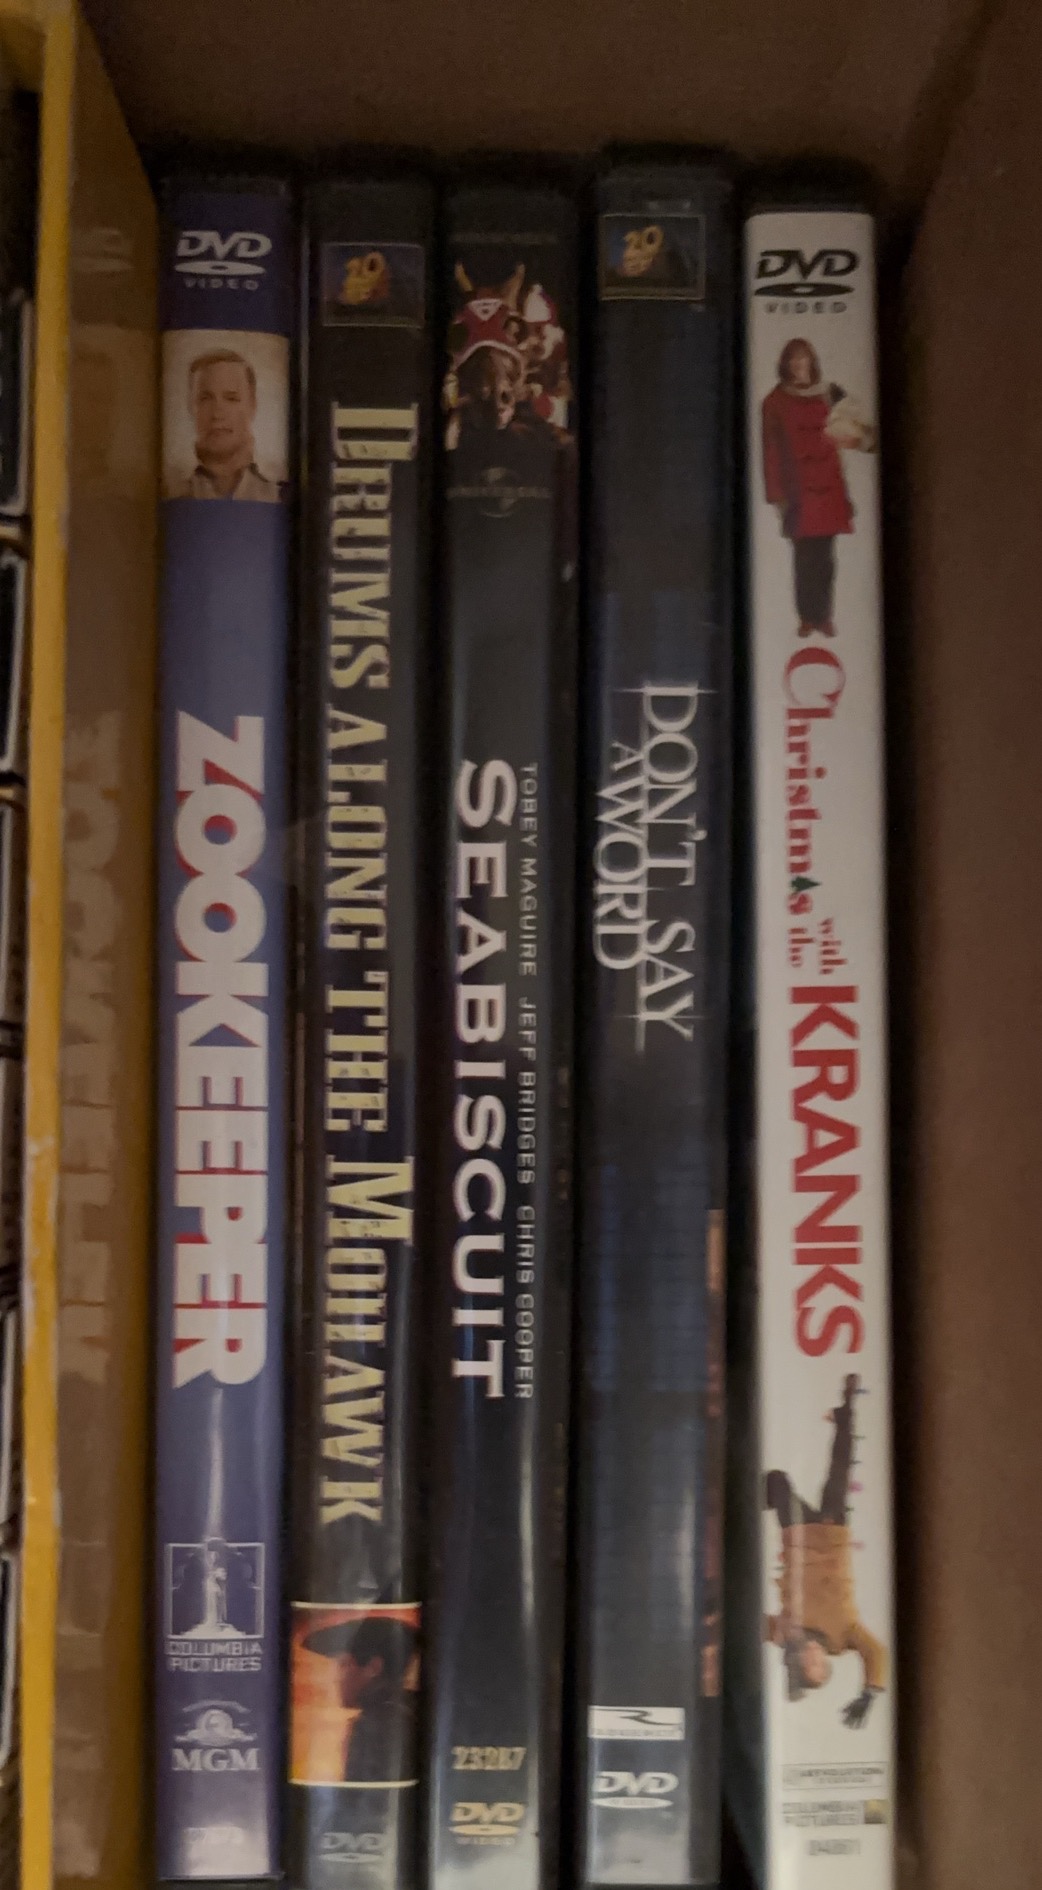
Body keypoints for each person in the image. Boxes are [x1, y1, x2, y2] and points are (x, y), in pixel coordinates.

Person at [763, 1372, 887, 1726]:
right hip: (833, 1534)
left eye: (810, 1665)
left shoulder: (784, 1633)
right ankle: (846, 1410)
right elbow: (875, 1651)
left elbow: (750, 1625)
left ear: (797, 1661)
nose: (818, 1657)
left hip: (798, 1534)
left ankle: (730, 1503)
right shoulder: (844, 1636)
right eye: (823, 1666)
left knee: (777, 1481)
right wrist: (870, 1691)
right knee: (839, 1473)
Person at [761, 337, 857, 638]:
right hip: (798, 492)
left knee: (826, 558)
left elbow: (858, 424)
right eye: (793, 359)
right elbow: (771, 451)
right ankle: (807, 617)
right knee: (804, 559)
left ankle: (824, 617)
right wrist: (777, 496)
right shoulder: (774, 402)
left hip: (828, 487)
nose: (799, 365)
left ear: (812, 362)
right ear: (786, 364)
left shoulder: (829, 393)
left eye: (803, 358)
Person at [302, 1613, 418, 1782]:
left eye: (344, 1664)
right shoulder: (409, 1713)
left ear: (374, 1667)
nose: (336, 1678)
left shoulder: (375, 1725)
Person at [171, 348, 281, 501]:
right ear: (191, 407)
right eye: (205, 399)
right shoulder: (173, 495)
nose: (217, 414)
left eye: (231, 399)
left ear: (252, 405)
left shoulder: (278, 497)